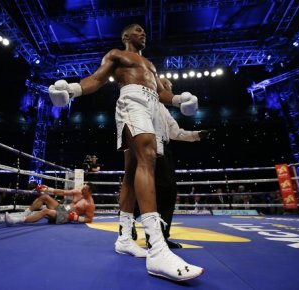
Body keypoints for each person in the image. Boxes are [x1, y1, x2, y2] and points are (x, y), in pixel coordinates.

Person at [48, 23, 203, 281]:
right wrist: (72, 90)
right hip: (133, 101)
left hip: (153, 106)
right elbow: (97, 79)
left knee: (131, 173)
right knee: (148, 158)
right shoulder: (117, 54)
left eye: (145, 32)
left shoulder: (151, 65)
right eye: (138, 31)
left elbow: (161, 93)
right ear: (126, 36)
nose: (144, 34)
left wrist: (179, 100)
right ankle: (157, 248)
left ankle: (124, 238)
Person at [133, 77, 211, 248]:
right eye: (167, 87)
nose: (170, 90)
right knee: (164, 191)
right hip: (149, 149)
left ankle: (153, 233)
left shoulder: (164, 110)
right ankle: (135, 221)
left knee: (163, 193)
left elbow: (176, 132)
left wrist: (197, 135)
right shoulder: (143, 101)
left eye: (169, 87)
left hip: (164, 151)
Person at [5, 183, 95, 225]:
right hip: (62, 209)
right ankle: (25, 213)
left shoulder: (89, 204)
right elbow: (61, 192)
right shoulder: (78, 192)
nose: (82, 189)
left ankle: (16, 220)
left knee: (45, 211)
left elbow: (89, 219)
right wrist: (48, 189)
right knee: (44, 196)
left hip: (66, 216)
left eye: (85, 188)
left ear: (89, 191)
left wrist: (76, 218)